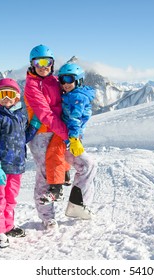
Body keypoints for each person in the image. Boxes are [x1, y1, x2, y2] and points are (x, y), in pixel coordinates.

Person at [0, 78, 41, 248]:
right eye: (2, 94)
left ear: (17, 97)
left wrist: (34, 125)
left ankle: (8, 226)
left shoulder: (20, 116)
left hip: (16, 166)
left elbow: (23, 138)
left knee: (10, 199)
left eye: (10, 94)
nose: (6, 98)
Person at [23, 44, 70, 229]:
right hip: (42, 135)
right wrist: (66, 134)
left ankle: (78, 203)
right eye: (38, 62)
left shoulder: (55, 81)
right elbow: (45, 114)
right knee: (44, 176)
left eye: (47, 62)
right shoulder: (31, 86)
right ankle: (47, 217)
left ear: (52, 63)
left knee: (68, 166)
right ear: (32, 64)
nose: (43, 66)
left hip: (59, 133)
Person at [58, 62, 97, 220]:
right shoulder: (76, 96)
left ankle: (79, 204)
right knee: (88, 165)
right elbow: (74, 119)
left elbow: (76, 118)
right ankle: (77, 205)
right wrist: (73, 139)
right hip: (70, 139)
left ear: (79, 80)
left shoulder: (77, 96)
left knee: (86, 167)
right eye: (62, 80)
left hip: (73, 138)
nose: (65, 83)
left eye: (69, 79)